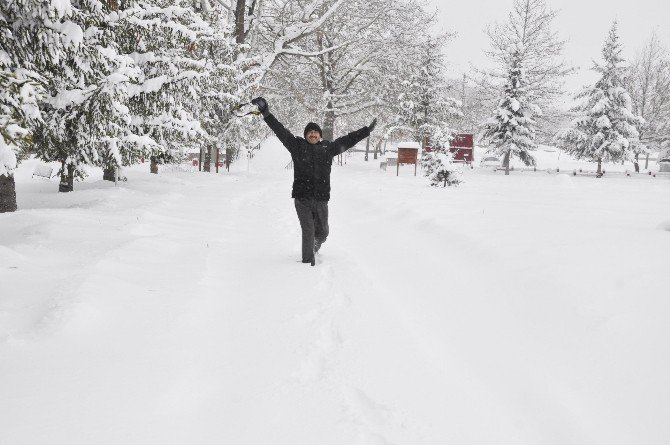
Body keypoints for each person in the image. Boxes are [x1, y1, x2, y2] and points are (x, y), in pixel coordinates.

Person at [251, 97, 377, 266]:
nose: (312, 134)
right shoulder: (297, 146)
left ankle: (314, 248)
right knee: (308, 230)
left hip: (321, 199)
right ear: (305, 135)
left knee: (323, 233)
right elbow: (280, 131)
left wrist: (366, 131)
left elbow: (348, 140)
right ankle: (307, 264)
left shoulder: (328, 148)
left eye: (315, 132)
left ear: (319, 135)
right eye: (309, 132)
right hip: (302, 198)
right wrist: (266, 114)